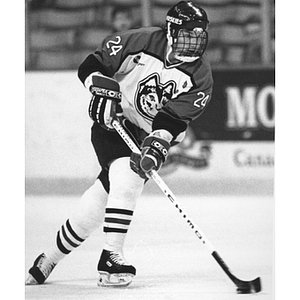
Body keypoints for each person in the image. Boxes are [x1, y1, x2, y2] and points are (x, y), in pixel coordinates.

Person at [26, 1, 213, 287]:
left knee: (98, 203)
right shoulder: (141, 41)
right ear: (172, 31)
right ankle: (111, 257)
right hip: (115, 122)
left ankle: (48, 259)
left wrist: (156, 145)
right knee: (127, 174)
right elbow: (91, 65)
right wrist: (100, 89)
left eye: (199, 37)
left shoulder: (200, 76)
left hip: (148, 136)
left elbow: (172, 120)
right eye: (188, 35)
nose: (194, 44)